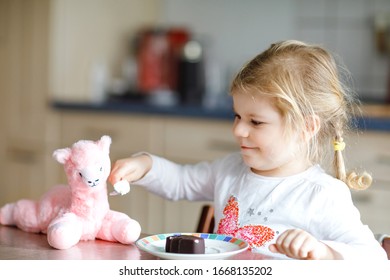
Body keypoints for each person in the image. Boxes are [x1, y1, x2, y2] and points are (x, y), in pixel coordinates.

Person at [109, 40, 387, 260]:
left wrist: (324, 252)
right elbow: (181, 181)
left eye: (255, 121)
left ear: (307, 127)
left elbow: (373, 259)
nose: (238, 130)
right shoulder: (229, 171)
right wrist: (146, 165)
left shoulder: (321, 195)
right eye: (237, 116)